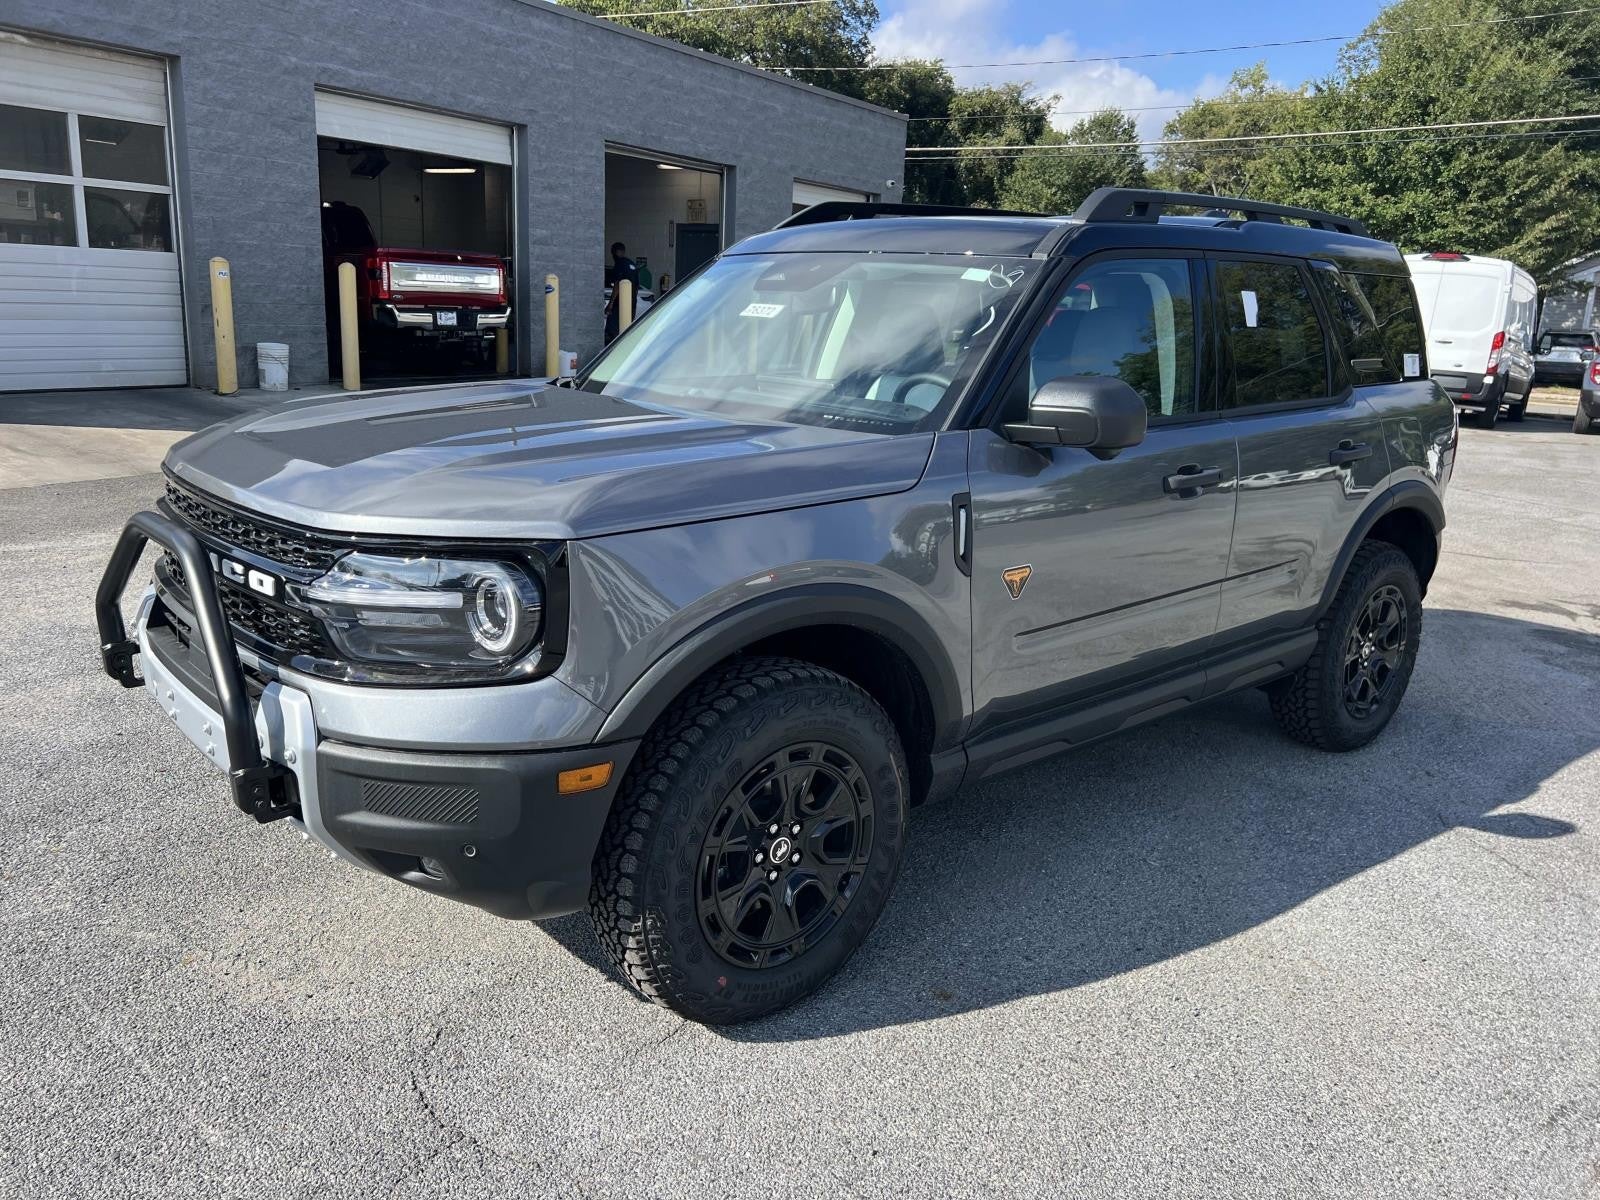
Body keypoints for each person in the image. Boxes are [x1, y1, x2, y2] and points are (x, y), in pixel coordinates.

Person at [605, 241, 640, 342]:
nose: (613, 255)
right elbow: (637, 286)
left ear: (617, 252)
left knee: (611, 333)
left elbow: (618, 284)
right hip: (632, 304)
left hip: (620, 304)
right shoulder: (632, 265)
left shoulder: (620, 264)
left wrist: (610, 304)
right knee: (625, 332)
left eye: (613, 253)